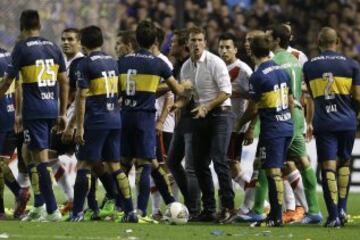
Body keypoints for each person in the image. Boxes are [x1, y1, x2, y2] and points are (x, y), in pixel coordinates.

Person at [0, 9, 68, 222]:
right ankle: (38, 206)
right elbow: (64, 81)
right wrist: (63, 112)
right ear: (39, 25)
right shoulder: (53, 47)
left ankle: (52, 210)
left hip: (35, 111)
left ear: (21, 26)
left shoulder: (21, 48)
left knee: (40, 160)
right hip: (51, 107)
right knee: (27, 151)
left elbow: (9, 81)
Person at [118, 20, 191, 218]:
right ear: (155, 41)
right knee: (144, 163)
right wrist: (186, 84)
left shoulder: (122, 61)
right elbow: (177, 90)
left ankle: (123, 208)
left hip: (125, 116)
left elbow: (118, 92)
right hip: (144, 118)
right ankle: (140, 210)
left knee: (124, 163)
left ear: (136, 39)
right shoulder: (158, 63)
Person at [71, 25, 137, 222]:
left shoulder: (85, 64)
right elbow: (119, 92)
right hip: (114, 119)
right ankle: (129, 212)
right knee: (115, 166)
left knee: (83, 164)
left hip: (96, 121)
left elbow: (81, 98)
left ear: (82, 43)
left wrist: (80, 126)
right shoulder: (112, 61)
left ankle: (77, 213)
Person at [304, 27, 360, 227]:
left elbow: (310, 97)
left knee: (328, 167)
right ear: (337, 42)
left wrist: (309, 122)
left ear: (318, 42)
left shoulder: (309, 66)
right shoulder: (352, 65)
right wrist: (354, 114)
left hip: (324, 121)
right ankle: (343, 210)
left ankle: (334, 215)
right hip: (347, 121)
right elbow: (358, 96)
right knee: (344, 163)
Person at [236, 34, 294, 227]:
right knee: (263, 164)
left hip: (273, 129)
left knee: (274, 171)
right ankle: (264, 210)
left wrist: (239, 125)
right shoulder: (282, 70)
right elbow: (291, 101)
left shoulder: (258, 75)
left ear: (250, 51)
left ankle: (276, 216)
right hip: (286, 125)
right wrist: (288, 121)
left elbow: (253, 109)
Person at [267, 25, 322, 224]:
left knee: (272, 165)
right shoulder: (295, 61)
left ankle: (273, 212)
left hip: (283, 116)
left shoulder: (274, 63)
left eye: (269, 37)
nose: (266, 41)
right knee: (301, 162)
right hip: (297, 114)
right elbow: (303, 91)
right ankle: (313, 211)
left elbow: (284, 96)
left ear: (276, 41)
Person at [180, 26, 235, 223]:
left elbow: (226, 92)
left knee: (219, 159)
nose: (196, 44)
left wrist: (207, 107)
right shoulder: (186, 67)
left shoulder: (215, 62)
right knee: (198, 164)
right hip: (201, 116)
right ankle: (209, 209)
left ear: (205, 43)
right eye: (193, 40)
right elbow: (187, 96)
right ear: (187, 43)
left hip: (221, 114)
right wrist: (176, 104)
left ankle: (228, 207)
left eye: (200, 40)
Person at [217, 32, 254, 215]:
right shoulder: (216, 67)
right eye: (221, 47)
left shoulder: (244, 70)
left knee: (231, 166)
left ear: (235, 50)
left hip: (236, 126)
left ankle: (254, 196)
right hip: (220, 125)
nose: (224, 51)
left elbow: (256, 100)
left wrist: (251, 128)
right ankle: (225, 206)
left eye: (228, 47)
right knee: (225, 165)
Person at [167, 28, 201, 219]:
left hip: (194, 120)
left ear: (183, 46)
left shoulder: (188, 65)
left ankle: (194, 209)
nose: (170, 45)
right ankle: (191, 201)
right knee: (172, 161)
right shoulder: (178, 65)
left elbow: (184, 91)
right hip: (182, 120)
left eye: (173, 42)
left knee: (191, 167)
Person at [150, 26, 177, 220]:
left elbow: (170, 94)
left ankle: (173, 207)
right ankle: (157, 209)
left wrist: (161, 120)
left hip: (163, 124)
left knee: (163, 167)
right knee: (153, 167)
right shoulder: (151, 61)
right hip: (152, 122)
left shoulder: (162, 62)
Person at [0, 48, 30, 219]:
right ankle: (18, 194)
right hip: (13, 116)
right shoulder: (7, 55)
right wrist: (18, 113)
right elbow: (18, 85)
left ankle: (16, 195)